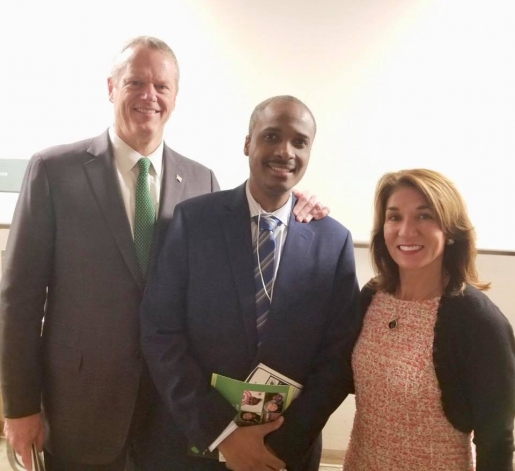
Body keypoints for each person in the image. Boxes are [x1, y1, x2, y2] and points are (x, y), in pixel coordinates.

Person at [0, 37, 326, 471]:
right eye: (135, 82)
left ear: (174, 97)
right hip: (81, 405)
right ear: (111, 87)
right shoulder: (55, 170)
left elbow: (253, 218)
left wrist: (298, 201)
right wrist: (18, 407)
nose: (148, 96)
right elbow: (18, 299)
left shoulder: (200, 180)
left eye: (161, 86)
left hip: (171, 413)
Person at [139, 95, 360, 471]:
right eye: (271, 136)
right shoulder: (194, 222)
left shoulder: (333, 241)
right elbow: (161, 331)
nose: (285, 151)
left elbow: (338, 358)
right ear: (247, 143)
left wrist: (279, 444)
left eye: (299, 142)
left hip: (285, 451)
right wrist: (223, 433)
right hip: (197, 446)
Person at [344, 169, 515, 470]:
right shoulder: (373, 295)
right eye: (394, 217)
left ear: (450, 231)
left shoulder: (477, 320)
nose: (407, 231)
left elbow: (497, 439)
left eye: (424, 216)